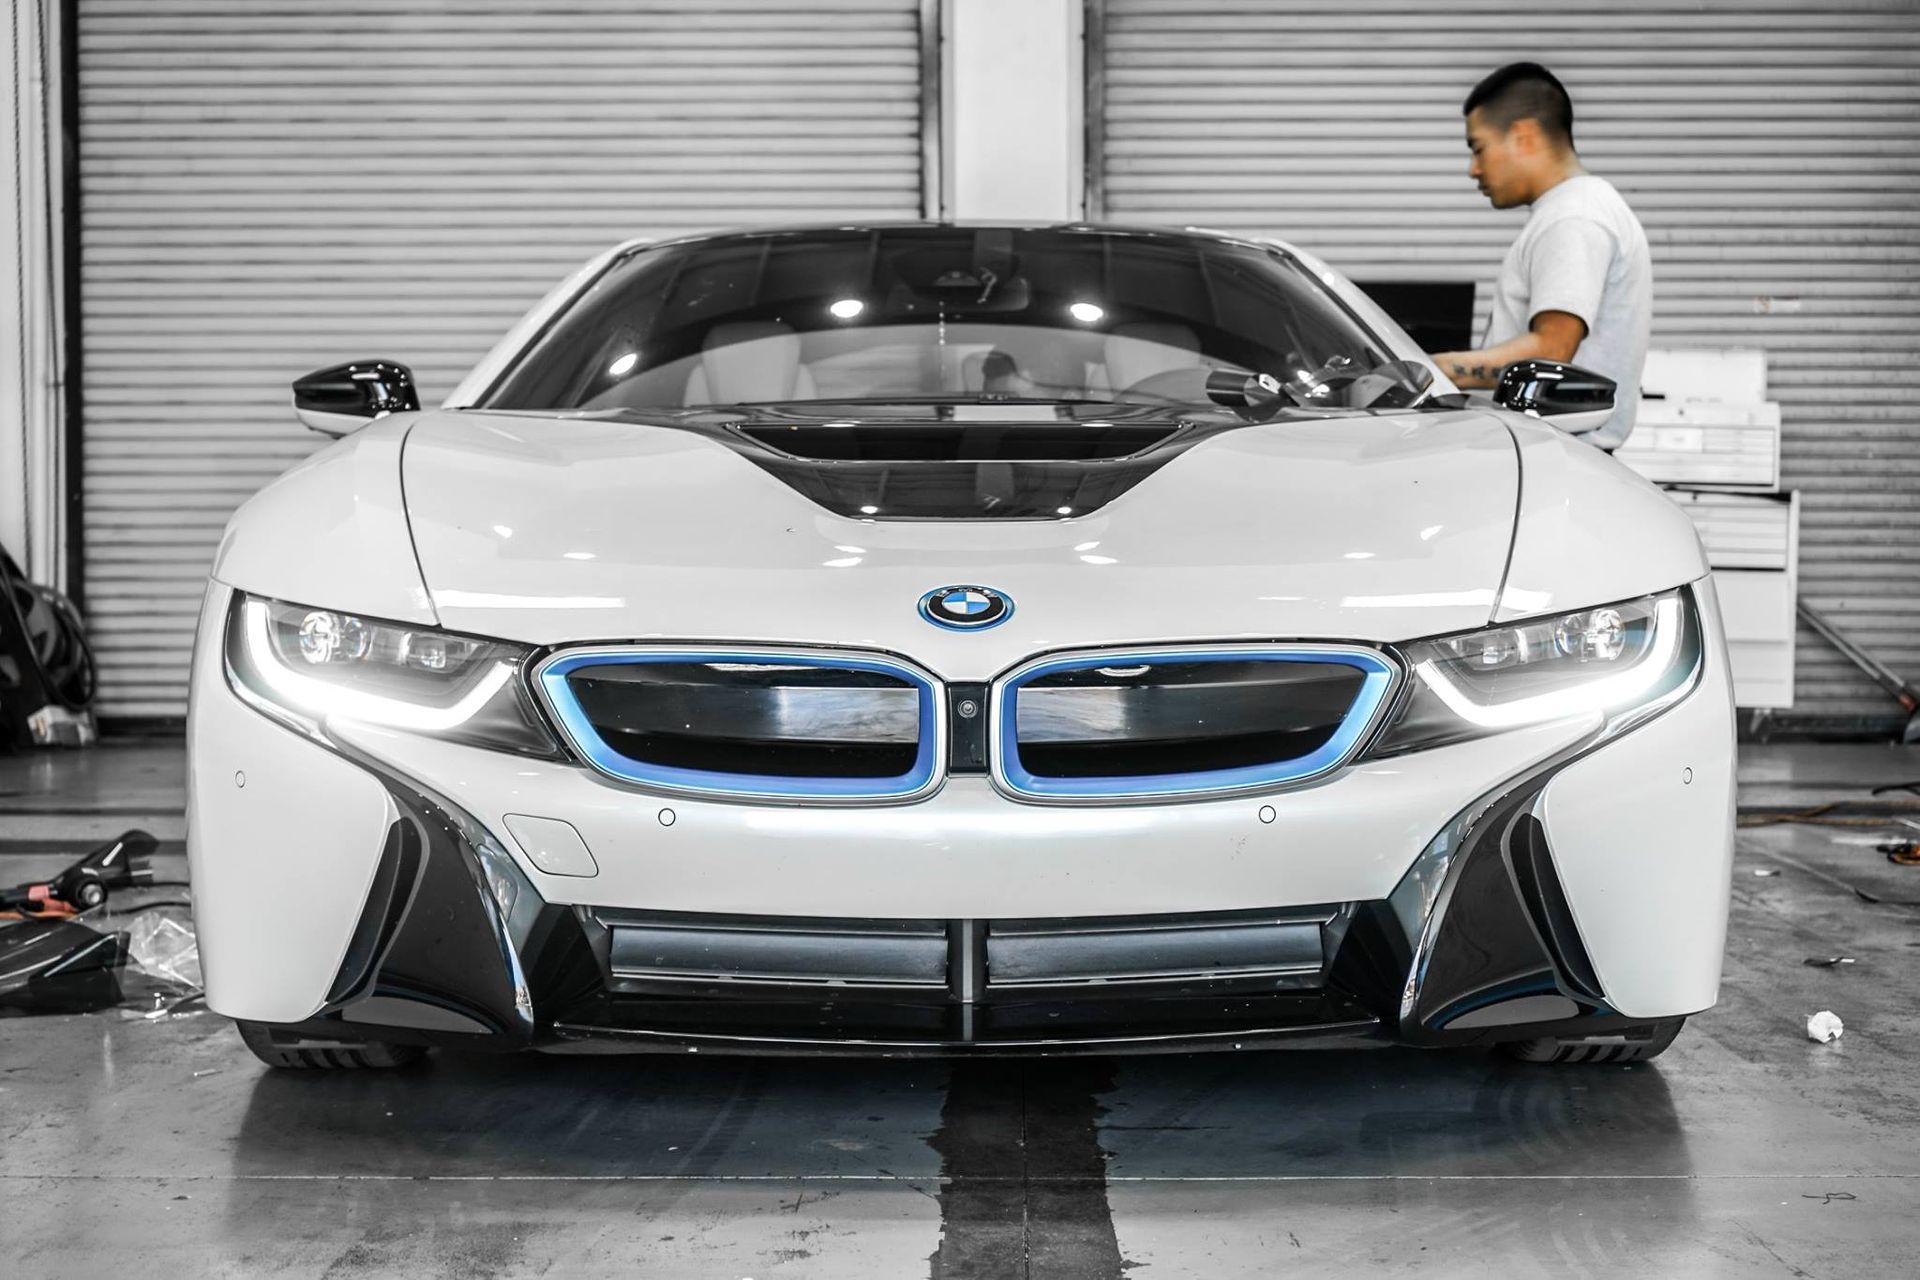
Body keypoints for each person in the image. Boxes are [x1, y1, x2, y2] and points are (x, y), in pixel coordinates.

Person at [1429, 62, 1652, 450]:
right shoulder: (1578, 209)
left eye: (1478, 148)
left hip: (1554, 459)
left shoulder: (1574, 216)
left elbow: (1551, 351)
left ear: (1524, 135)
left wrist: (1432, 370)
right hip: (1557, 458)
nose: (1473, 170)